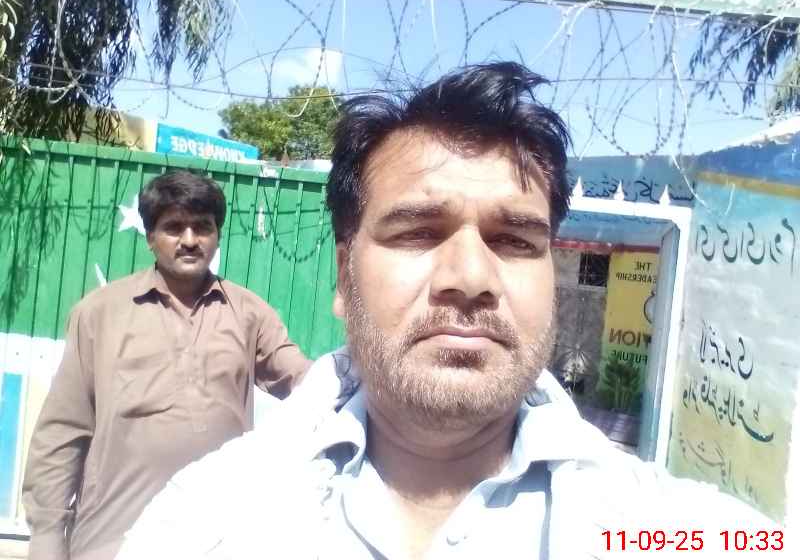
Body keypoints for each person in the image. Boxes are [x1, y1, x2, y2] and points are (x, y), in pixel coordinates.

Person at [115, 64, 779, 560]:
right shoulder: (202, 523)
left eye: (514, 240)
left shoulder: (683, 533)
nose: (470, 279)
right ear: (344, 276)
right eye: (417, 233)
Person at [23, 171, 311, 560]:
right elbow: (62, 430)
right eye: (174, 227)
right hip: (114, 537)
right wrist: (46, 538)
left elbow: (302, 378)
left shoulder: (248, 313)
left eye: (202, 227)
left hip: (218, 540)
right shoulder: (100, 314)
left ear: (217, 235)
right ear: (150, 237)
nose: (189, 240)